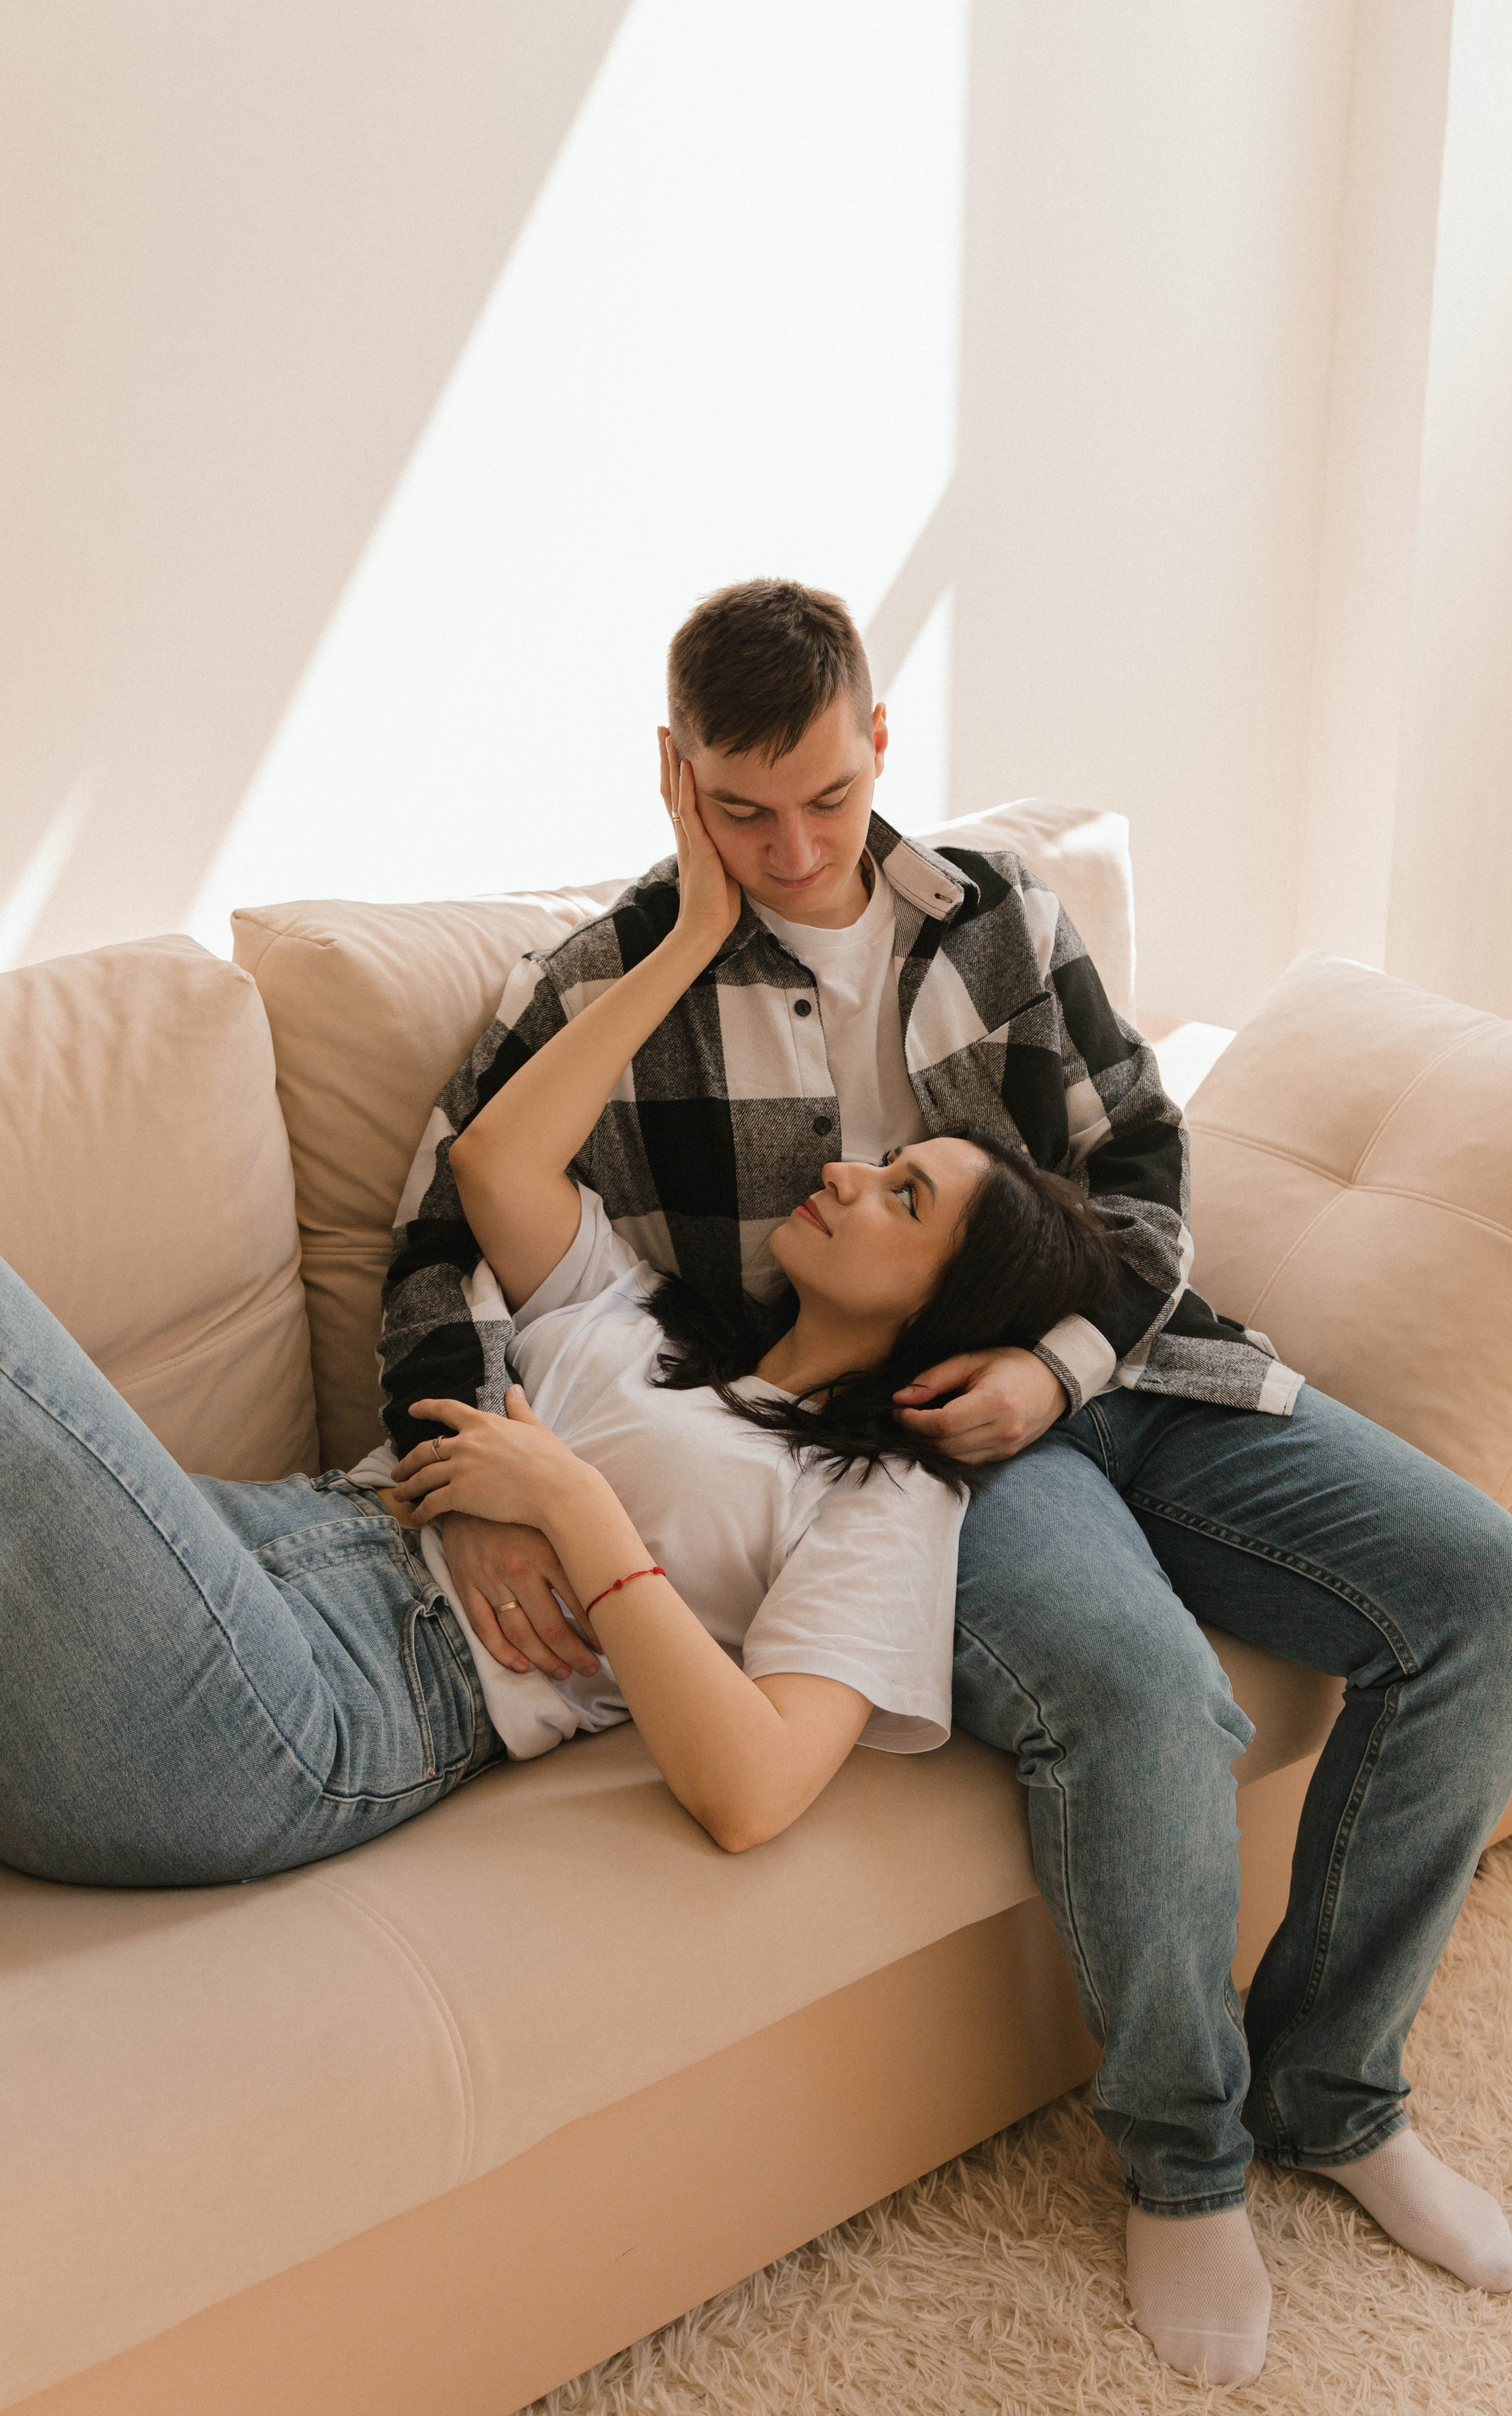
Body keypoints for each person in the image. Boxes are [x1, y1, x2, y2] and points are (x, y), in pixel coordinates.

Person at [379, 578, 1512, 2387]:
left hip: (1120, 1361)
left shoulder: (1000, 913)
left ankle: (1333, 2095)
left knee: (1491, 1597)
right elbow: (441, 1227)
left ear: (877, 741)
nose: (790, 850)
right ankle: (1184, 2161)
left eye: (826, 798)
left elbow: (1144, 1165)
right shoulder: (610, 977)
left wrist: (1054, 1364)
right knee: (1140, 1700)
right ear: (674, 772)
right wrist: (468, 1473)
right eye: (739, 808)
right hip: (907, 1439)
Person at [0, 775, 1112, 1892]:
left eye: (903, 1198)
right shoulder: (640, 1309)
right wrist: (693, 938)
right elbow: (493, 1163)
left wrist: (570, 1502)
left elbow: (754, 1791)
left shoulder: (885, 1495)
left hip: (310, 1702)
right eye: (883, 1162)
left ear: (945, 1307)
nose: (845, 1174)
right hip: (259, 1539)